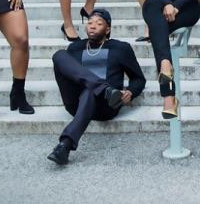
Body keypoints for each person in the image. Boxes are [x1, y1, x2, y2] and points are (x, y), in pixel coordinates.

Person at [47, 9, 146, 166]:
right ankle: (104, 88)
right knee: (59, 55)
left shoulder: (121, 48)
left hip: (106, 106)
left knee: (89, 91)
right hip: (76, 103)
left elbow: (139, 79)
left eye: (98, 24)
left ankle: (64, 146)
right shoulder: (75, 48)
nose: (92, 26)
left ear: (107, 29)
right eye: (90, 23)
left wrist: (131, 92)